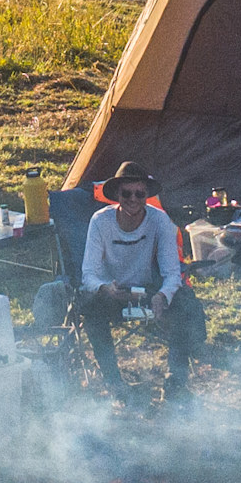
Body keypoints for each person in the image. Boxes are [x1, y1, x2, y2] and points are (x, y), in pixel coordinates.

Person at [75, 162, 205, 398]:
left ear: (147, 195)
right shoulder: (100, 221)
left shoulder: (159, 221)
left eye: (139, 194)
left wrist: (162, 295)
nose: (133, 199)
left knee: (184, 303)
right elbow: (89, 275)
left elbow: (172, 272)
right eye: (126, 193)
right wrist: (105, 288)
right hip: (114, 293)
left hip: (148, 291)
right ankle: (114, 382)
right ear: (116, 195)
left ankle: (176, 382)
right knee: (91, 310)